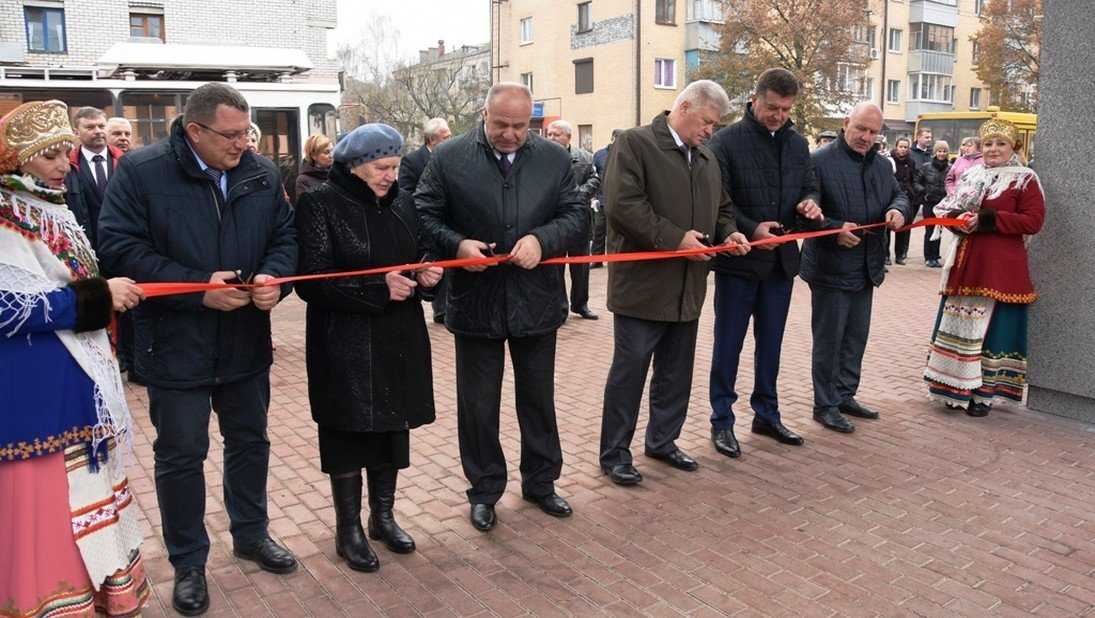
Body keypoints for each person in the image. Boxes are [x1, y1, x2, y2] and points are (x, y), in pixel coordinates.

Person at [97, 82, 299, 616]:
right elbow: (118, 246)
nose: (243, 145)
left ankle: (251, 535)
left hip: (244, 343)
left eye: (246, 133)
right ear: (194, 131)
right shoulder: (141, 172)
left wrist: (278, 276)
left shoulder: (259, 172)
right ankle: (189, 563)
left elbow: (286, 236)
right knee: (182, 456)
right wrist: (196, 288)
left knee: (250, 442)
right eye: (231, 136)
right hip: (175, 345)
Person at [0, 100, 150, 617]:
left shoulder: (50, 207)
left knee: (82, 484)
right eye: (51, 156)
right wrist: (98, 298)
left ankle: (94, 589)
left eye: (66, 152)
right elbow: (7, 309)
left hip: (76, 374)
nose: (66, 163)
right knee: (44, 494)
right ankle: (45, 599)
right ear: (20, 161)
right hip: (33, 385)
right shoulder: (5, 216)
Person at [416, 83, 586, 532]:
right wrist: (457, 244)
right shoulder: (449, 157)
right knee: (478, 404)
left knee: (538, 398)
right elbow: (423, 211)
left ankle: (542, 481)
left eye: (520, 126)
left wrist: (541, 240)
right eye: (501, 125)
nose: (510, 134)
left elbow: (574, 215)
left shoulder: (553, 158)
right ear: (484, 115)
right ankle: (485, 489)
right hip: (477, 304)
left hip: (537, 299)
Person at [295, 123, 443, 572]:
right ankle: (348, 530)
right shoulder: (318, 202)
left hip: (397, 336)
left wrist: (427, 275)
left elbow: (419, 251)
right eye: (382, 167)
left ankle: (382, 516)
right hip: (344, 342)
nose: (390, 176)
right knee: (347, 432)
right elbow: (312, 280)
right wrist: (378, 288)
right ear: (354, 165)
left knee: (390, 428)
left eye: (395, 167)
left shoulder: (400, 201)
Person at [598, 80, 751, 486]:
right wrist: (674, 238)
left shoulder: (706, 157)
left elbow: (721, 208)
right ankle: (614, 454)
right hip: (642, 288)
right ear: (682, 107)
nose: (710, 132)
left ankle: (663, 441)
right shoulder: (634, 144)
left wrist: (729, 232)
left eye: (715, 126)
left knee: (676, 372)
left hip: (689, 286)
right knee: (629, 374)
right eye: (706, 122)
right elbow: (622, 206)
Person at [705, 68, 823, 460]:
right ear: (754, 99)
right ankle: (722, 420)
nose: (778, 115)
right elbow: (717, 202)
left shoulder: (797, 143)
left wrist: (810, 202)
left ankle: (766, 413)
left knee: (770, 344)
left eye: (786, 109)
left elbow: (809, 185)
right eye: (772, 107)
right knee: (729, 346)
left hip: (781, 265)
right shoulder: (725, 141)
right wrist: (752, 228)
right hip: (739, 263)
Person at [801, 102, 910, 434]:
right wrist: (833, 229)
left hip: (867, 266)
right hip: (831, 268)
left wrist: (898, 211)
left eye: (874, 132)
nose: (866, 137)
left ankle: (845, 394)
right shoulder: (819, 161)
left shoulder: (881, 165)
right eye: (861, 128)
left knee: (855, 338)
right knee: (829, 340)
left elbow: (900, 195)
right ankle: (825, 404)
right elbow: (806, 209)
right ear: (846, 123)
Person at [924, 118, 1044, 417]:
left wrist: (987, 219)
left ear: (1013, 147)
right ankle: (954, 388)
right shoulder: (972, 175)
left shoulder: (1024, 178)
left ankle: (983, 394)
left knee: (992, 332)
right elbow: (953, 206)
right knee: (960, 324)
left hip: (999, 268)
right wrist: (957, 220)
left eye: (1000, 143)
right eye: (988, 143)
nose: (993, 149)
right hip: (966, 262)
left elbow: (1033, 221)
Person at [546, 118, 601, 319]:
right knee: (556, 266)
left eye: (556, 134)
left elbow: (596, 179)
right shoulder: (541, 157)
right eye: (549, 134)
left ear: (568, 137)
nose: (551, 138)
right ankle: (560, 308)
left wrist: (579, 195)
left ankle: (580, 304)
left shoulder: (585, 157)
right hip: (555, 220)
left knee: (580, 265)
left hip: (579, 219)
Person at [399, 117, 452, 324]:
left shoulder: (453, 158)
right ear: (432, 140)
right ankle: (441, 310)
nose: (450, 140)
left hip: (451, 223)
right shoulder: (412, 161)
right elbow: (406, 193)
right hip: (426, 223)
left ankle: (450, 306)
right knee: (435, 264)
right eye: (445, 137)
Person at [67, 107, 123, 250]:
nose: (98, 131)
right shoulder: (67, 166)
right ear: (76, 132)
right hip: (84, 245)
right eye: (90, 127)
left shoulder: (126, 162)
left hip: (122, 244)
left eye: (101, 126)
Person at [913, 140, 951, 268]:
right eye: (939, 151)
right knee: (929, 230)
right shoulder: (926, 166)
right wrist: (924, 192)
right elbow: (916, 182)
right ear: (935, 152)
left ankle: (935, 256)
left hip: (942, 204)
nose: (942, 153)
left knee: (938, 230)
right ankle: (928, 257)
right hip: (929, 202)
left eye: (944, 151)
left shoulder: (950, 168)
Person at [590, 128, 623, 268]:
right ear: (612, 138)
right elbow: (593, 176)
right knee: (599, 230)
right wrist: (593, 199)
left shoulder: (626, 154)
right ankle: (596, 259)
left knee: (615, 232)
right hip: (601, 200)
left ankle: (613, 259)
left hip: (619, 202)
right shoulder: (599, 155)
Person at [888, 137, 918, 265]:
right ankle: (885, 256)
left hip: (907, 197)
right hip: (891, 196)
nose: (903, 149)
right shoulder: (889, 160)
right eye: (901, 146)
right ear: (896, 146)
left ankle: (900, 255)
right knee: (887, 227)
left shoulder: (911, 162)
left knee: (904, 228)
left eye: (906, 147)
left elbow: (913, 178)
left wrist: (915, 190)